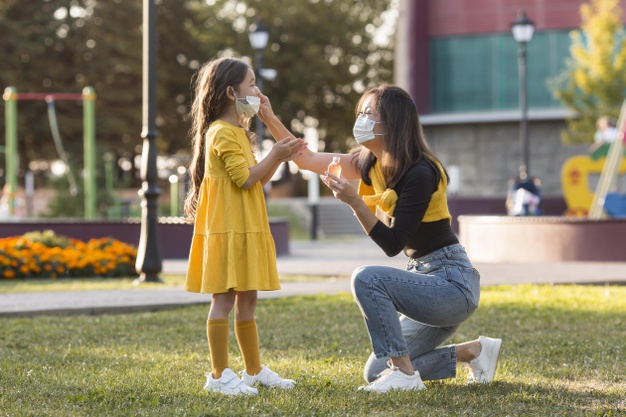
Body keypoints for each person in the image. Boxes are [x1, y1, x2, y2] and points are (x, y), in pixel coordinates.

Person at [259, 85, 502, 393]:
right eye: (360, 112)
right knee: (375, 370)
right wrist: (268, 116)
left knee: (367, 278)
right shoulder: (369, 162)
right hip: (423, 281)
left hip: (451, 286)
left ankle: (404, 375)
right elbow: (305, 159)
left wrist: (355, 202)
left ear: (393, 122)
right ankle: (473, 352)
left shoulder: (420, 172)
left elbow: (392, 244)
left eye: (368, 113)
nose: (360, 119)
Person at [184, 57, 305, 396]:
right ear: (229, 92)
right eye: (251, 84)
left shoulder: (239, 131)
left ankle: (252, 371)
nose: (257, 90)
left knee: (247, 299)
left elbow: (258, 180)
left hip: (246, 223)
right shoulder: (220, 132)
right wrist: (275, 155)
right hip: (228, 226)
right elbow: (243, 178)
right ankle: (219, 375)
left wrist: (276, 157)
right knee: (223, 298)